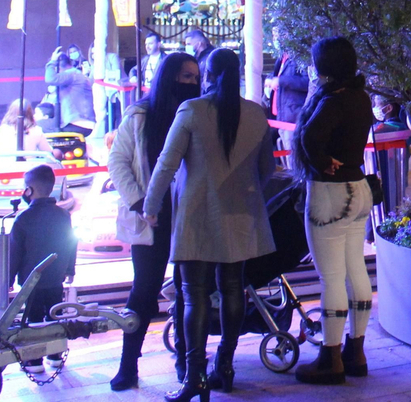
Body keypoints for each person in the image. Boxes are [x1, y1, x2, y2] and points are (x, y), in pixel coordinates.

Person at [144, 48, 277, 402]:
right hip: (242, 212)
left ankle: (195, 377)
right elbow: (269, 170)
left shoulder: (192, 110)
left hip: (197, 213)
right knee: (234, 288)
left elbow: (166, 163)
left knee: (194, 294)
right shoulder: (257, 114)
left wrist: (150, 205)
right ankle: (226, 365)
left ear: (209, 75)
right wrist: (247, 193)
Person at [106, 52, 200, 391]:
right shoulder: (139, 115)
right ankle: (128, 364)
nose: (191, 83)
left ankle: (186, 364)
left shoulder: (198, 114)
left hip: (188, 217)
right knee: (143, 292)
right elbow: (117, 163)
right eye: (185, 76)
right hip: (150, 219)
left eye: (195, 77)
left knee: (189, 293)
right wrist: (139, 203)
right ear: (168, 76)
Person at [292, 37, 377, 384]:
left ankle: (330, 357)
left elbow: (308, 138)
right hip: (359, 189)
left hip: (329, 194)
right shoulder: (361, 97)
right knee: (356, 269)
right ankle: (355, 351)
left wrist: (323, 161)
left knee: (330, 278)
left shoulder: (331, 101)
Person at [8, 163, 77, 372]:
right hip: (56, 279)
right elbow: (70, 243)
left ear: (30, 190)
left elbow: (15, 254)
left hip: (31, 283)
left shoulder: (23, 219)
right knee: (55, 317)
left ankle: (34, 360)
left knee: (33, 321)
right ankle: (55, 356)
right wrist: (70, 270)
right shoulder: (64, 215)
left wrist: (8, 281)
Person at [45, 45, 95, 135]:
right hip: (81, 121)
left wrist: (52, 62)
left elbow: (50, 78)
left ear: (58, 68)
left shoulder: (71, 74)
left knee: (38, 127)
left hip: (77, 122)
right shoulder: (74, 75)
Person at [268, 50, 309, 153]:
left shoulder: (299, 56)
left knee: (293, 158)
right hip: (282, 116)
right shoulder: (281, 57)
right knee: (287, 156)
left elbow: (308, 81)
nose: (275, 36)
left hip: (292, 116)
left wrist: (281, 81)